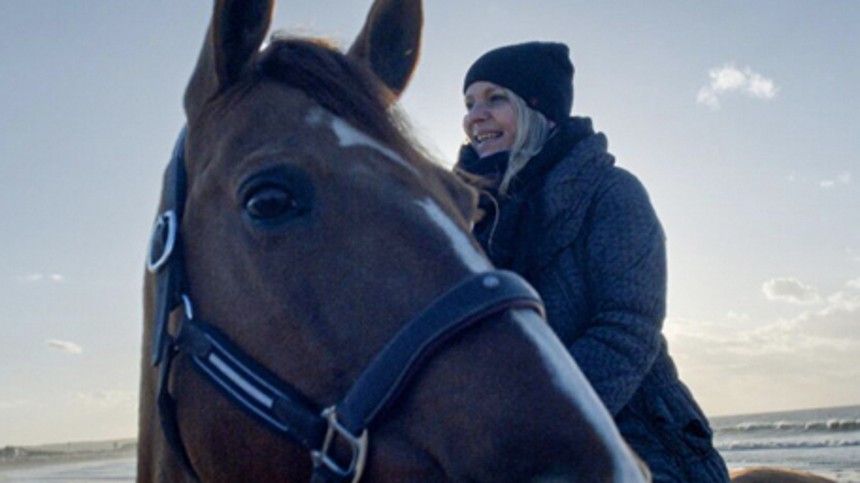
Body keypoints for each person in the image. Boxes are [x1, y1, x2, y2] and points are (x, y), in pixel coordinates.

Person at [455, 41, 730, 482]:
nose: (474, 116)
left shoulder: (611, 192)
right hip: (501, 442)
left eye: (495, 98)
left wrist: (538, 419)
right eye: (468, 104)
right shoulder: (466, 214)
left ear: (539, 109)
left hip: (633, 434)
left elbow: (627, 327)